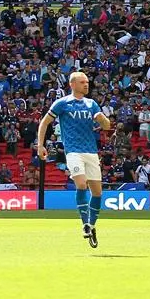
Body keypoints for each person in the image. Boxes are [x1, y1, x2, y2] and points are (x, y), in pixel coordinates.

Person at [37, 71, 113, 249]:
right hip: (73, 151)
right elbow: (44, 123)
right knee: (81, 184)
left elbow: (107, 126)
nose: (86, 85)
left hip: (91, 152)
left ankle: (92, 226)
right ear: (72, 84)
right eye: (82, 82)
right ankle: (85, 223)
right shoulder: (62, 103)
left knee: (97, 193)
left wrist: (103, 120)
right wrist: (40, 145)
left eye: (87, 82)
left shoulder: (91, 104)